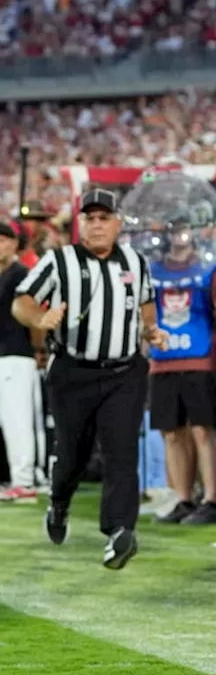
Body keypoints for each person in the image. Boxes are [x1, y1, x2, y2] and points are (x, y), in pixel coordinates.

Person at [13, 188, 166, 569]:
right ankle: (59, 502)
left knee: (122, 452)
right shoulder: (59, 260)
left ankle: (118, 532)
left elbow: (146, 304)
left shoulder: (136, 261)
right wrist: (40, 319)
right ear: (80, 223)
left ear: (117, 224)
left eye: (104, 218)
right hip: (73, 372)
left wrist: (152, 331)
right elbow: (23, 300)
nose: (97, 225)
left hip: (124, 372)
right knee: (73, 455)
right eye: (90, 218)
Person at [147, 212, 216, 524]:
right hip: (163, 360)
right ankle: (183, 498)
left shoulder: (207, 269)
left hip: (201, 356)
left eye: (185, 230)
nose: (179, 236)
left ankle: (212, 498)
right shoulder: (153, 271)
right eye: (174, 231)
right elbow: (146, 312)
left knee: (203, 428)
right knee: (171, 432)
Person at [0, 222, 47, 503]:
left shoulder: (20, 274)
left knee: (18, 420)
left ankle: (24, 482)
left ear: (14, 244)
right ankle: (24, 478)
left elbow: (34, 312)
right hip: (9, 355)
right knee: (17, 420)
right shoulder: (6, 276)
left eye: (2, 240)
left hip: (16, 355)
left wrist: (37, 348)